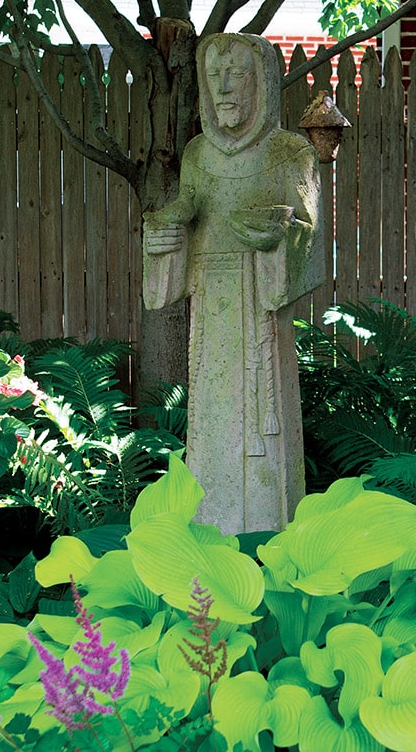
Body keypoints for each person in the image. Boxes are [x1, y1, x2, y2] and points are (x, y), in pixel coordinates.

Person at [143, 33, 324, 533]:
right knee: (211, 430)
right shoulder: (197, 155)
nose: (223, 87)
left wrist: (280, 237)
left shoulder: (291, 153)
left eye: (236, 74)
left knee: (266, 447)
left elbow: (312, 239)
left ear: (261, 81)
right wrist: (162, 241)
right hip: (211, 323)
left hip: (262, 322)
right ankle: (211, 545)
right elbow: (184, 222)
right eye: (214, 76)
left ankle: (267, 543)